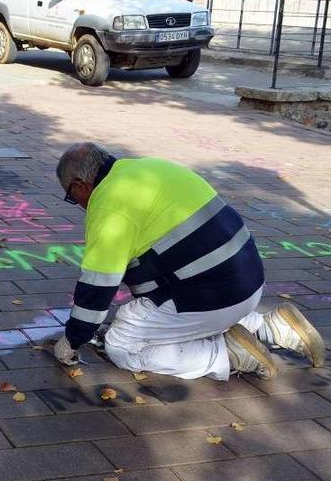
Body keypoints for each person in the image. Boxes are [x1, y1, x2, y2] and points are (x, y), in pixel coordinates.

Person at [52, 142, 324, 380]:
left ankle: (229, 354)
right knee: (165, 313)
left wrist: (74, 340)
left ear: (80, 185)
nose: (78, 203)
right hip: (247, 282)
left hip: (216, 295)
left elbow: (98, 285)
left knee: (123, 342)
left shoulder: (109, 204)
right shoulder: (148, 168)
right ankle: (271, 327)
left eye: (71, 196)